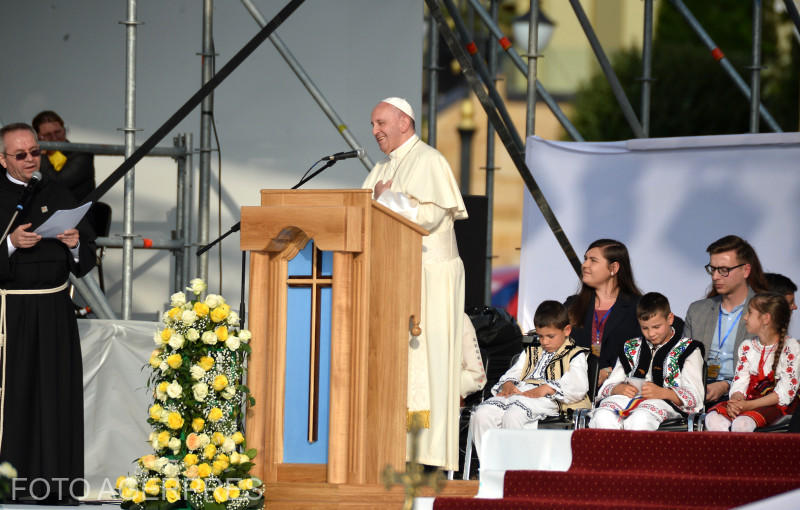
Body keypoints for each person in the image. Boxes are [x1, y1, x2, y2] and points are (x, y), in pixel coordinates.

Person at [362, 97, 467, 470]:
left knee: (427, 363)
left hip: (431, 277)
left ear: (404, 122)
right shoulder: (381, 167)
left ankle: (426, 453)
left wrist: (385, 199)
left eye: (380, 123)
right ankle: (396, 446)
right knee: (401, 367)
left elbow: (430, 217)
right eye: (373, 125)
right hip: (397, 276)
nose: (374, 131)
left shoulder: (429, 160)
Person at [0, 123, 96, 503]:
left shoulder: (57, 192)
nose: (30, 160)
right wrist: (10, 243)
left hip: (55, 309)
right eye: (20, 155)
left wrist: (74, 244)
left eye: (34, 152)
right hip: (12, 312)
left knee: (56, 396)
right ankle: (10, 486)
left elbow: (86, 256)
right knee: (17, 396)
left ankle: (57, 486)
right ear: (3, 159)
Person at [470, 300, 589, 459]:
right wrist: (508, 384)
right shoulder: (531, 351)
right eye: (540, 336)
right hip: (521, 393)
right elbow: (515, 371)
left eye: (550, 336)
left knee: (514, 415)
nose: (544, 341)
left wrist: (548, 388)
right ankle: (490, 464)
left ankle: (516, 467)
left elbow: (578, 384)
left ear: (567, 330)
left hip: (549, 398)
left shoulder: (575, 354)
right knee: (482, 414)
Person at [589, 292, 705, 430]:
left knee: (640, 419)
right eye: (645, 328)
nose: (651, 333)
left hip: (665, 403)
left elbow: (695, 395)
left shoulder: (689, 349)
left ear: (670, 319)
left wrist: (664, 393)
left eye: (656, 327)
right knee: (602, 416)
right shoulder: (630, 347)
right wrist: (617, 388)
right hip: (627, 400)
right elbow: (610, 384)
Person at [684, 235, 768, 404]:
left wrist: (727, 385)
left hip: (745, 396)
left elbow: (768, 368)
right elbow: (684, 360)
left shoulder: (766, 311)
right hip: (698, 391)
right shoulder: (698, 310)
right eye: (712, 269)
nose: (715, 276)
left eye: (723, 270)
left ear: (745, 270)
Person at [704, 293, 799, 432]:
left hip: (775, 406)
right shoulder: (747, 346)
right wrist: (736, 400)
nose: (745, 317)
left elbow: (784, 394)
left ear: (766, 318)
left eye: (750, 312)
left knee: (742, 424)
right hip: (747, 401)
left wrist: (748, 406)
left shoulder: (792, 348)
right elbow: (740, 381)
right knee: (713, 419)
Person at [566, 239, 643, 386]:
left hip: (621, 389)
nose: (585, 265)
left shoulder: (638, 307)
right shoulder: (572, 305)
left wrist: (610, 371)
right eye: (585, 259)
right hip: (575, 387)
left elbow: (647, 351)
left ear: (614, 267)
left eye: (593, 260)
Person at [32, 110, 96, 202]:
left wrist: (42, 156)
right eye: (47, 135)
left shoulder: (82, 155)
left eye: (57, 132)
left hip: (75, 209)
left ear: (64, 130)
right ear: (38, 137)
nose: (54, 138)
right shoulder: (32, 157)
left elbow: (59, 184)